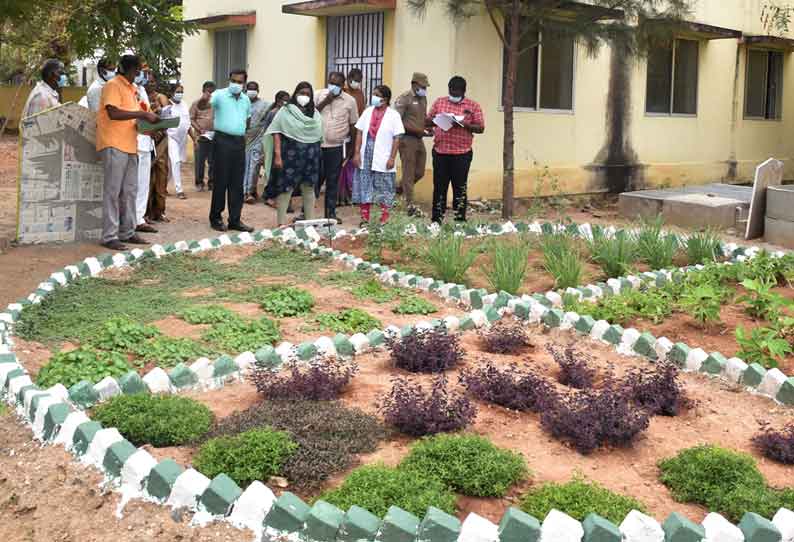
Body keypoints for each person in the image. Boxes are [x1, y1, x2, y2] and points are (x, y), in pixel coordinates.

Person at [96, 54, 159, 250]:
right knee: (113, 192)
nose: (139, 74)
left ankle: (127, 231)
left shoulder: (132, 89)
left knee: (130, 191)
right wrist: (142, 114)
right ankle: (109, 235)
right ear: (131, 70)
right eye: (138, 70)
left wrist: (151, 128)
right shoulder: (113, 85)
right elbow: (113, 113)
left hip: (130, 144)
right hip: (114, 144)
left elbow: (132, 121)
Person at [195, 68, 253, 232]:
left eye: (239, 82)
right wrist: (203, 99)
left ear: (244, 83)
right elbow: (203, 106)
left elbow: (247, 120)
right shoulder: (219, 95)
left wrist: (239, 129)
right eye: (233, 81)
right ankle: (216, 218)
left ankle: (235, 219)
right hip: (222, 141)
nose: (236, 84)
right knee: (221, 180)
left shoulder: (246, 100)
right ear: (229, 80)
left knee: (237, 183)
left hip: (239, 142)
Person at [264, 82, 323, 227]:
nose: (304, 96)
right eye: (301, 93)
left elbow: (319, 135)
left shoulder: (314, 114)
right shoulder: (286, 111)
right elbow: (276, 131)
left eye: (308, 94)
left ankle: (309, 223)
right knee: (286, 188)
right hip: (290, 154)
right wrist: (277, 154)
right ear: (295, 94)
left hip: (311, 155)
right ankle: (281, 223)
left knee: (309, 188)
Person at [427, 75, 484, 224]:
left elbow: (481, 128)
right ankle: (436, 220)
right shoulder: (440, 102)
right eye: (451, 92)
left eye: (456, 93)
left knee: (459, 187)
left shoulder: (473, 106)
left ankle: (460, 220)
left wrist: (464, 125)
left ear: (463, 91)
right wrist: (437, 119)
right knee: (439, 187)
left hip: (462, 154)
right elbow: (427, 121)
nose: (453, 95)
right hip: (441, 152)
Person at [351, 85, 404, 227]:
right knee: (365, 184)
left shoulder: (394, 115)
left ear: (385, 99)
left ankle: (384, 219)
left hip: (383, 155)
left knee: (384, 186)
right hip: (366, 153)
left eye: (376, 95)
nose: (373, 97)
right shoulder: (368, 112)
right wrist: (356, 153)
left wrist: (392, 157)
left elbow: (397, 137)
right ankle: (365, 218)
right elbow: (359, 132)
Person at [315, 71, 358, 223]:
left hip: (336, 147)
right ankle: (306, 212)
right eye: (332, 83)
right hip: (317, 145)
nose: (334, 86)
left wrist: (352, 149)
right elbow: (310, 114)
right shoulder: (318, 94)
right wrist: (326, 101)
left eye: (338, 84)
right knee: (315, 179)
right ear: (328, 81)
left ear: (343, 85)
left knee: (332, 180)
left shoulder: (350, 101)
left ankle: (330, 213)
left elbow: (353, 125)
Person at [394, 72, 430, 214]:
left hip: (419, 138)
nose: (425, 89)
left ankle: (398, 188)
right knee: (408, 173)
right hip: (407, 139)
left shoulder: (423, 98)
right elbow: (397, 121)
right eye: (422, 86)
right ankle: (409, 205)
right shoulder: (404, 98)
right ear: (414, 84)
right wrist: (416, 130)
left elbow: (422, 118)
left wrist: (428, 127)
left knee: (419, 172)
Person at [134, 67, 158, 234]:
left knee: (143, 183)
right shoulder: (129, 90)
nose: (145, 77)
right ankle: (131, 219)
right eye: (143, 72)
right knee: (133, 184)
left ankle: (139, 218)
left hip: (146, 142)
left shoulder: (141, 90)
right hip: (134, 142)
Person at [145, 75, 171, 223]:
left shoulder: (162, 98)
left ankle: (159, 211)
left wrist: (160, 131)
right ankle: (146, 212)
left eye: (153, 81)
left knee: (161, 176)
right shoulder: (140, 95)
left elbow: (167, 119)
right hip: (146, 139)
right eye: (148, 81)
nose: (151, 84)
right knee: (147, 178)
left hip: (160, 140)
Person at [243, 81, 271, 203]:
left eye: (254, 89)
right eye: (249, 89)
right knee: (245, 166)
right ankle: (246, 191)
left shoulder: (265, 105)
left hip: (258, 139)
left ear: (258, 90)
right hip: (243, 139)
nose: (252, 91)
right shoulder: (242, 103)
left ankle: (249, 191)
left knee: (254, 165)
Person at [261, 90, 291, 205]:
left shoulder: (287, 113)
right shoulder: (273, 113)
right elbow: (269, 132)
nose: (286, 103)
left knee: (279, 172)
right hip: (273, 144)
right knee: (273, 170)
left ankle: (271, 194)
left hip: (283, 145)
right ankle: (270, 196)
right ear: (278, 101)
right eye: (284, 100)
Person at [163, 83, 190, 200]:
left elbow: (187, 123)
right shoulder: (167, 106)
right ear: (172, 93)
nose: (180, 94)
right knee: (176, 162)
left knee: (171, 164)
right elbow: (163, 124)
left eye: (181, 92)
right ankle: (179, 190)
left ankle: (162, 187)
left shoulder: (184, 104)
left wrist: (194, 139)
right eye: (178, 92)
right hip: (171, 137)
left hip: (182, 138)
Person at [190, 81, 216, 192]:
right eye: (208, 91)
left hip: (214, 136)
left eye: (212, 92)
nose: (210, 94)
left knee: (213, 161)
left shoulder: (215, 104)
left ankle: (211, 183)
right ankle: (199, 182)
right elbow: (191, 119)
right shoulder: (196, 104)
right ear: (203, 91)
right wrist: (199, 129)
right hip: (200, 137)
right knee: (199, 161)